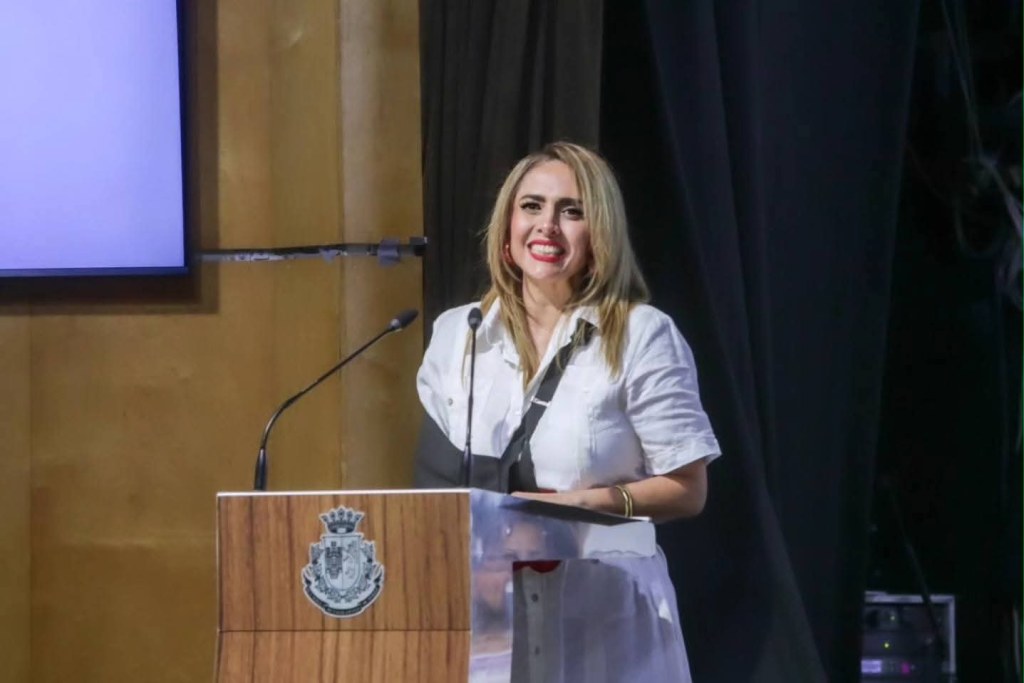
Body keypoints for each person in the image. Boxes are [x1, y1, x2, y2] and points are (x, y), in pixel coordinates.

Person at [414, 141, 721, 682]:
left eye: (571, 210)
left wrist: (575, 506)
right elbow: (438, 482)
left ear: (599, 232)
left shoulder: (642, 336)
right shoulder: (456, 334)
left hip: (603, 621)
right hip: (487, 624)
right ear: (507, 228)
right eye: (531, 206)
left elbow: (687, 488)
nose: (547, 226)